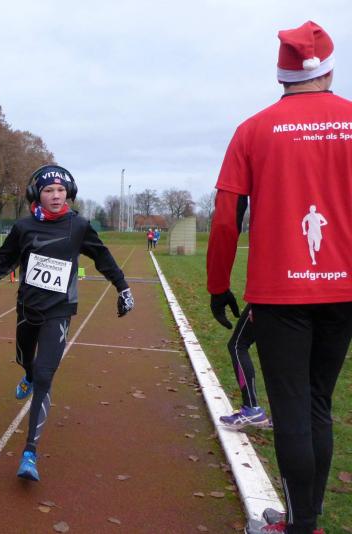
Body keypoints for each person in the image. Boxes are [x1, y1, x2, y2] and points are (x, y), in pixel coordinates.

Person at [207, 21, 352, 534]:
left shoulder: (253, 130)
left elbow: (226, 219)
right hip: (343, 289)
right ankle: (306, 521)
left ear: (280, 74)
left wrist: (218, 285)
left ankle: (298, 526)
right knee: (317, 404)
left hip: (280, 294)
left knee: (291, 408)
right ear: (328, 69)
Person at [0, 164, 134, 481]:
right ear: (37, 194)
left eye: (60, 190)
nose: (55, 196)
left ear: (69, 193)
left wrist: (123, 288)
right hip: (28, 308)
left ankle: (30, 453)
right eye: (49, 190)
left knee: (44, 375)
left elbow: (103, 258)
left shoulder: (79, 226)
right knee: (26, 361)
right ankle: (26, 373)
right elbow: (1, 263)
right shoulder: (23, 228)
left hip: (59, 311)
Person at [218, 304, 270, 429]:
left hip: (270, 299)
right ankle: (286, 416)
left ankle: (252, 407)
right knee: (283, 352)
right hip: (306, 300)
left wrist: (256, 303)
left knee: (237, 345)